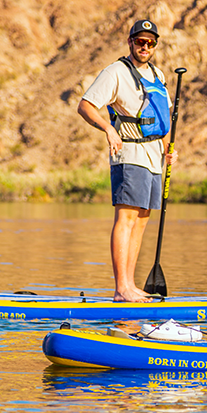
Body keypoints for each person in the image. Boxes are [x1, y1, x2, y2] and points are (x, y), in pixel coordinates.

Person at [77, 20, 177, 302]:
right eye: (139, 41)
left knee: (142, 220)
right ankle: (122, 288)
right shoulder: (116, 72)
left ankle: (131, 286)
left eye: (150, 42)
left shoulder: (158, 75)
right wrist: (108, 129)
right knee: (127, 217)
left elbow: (163, 119)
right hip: (129, 153)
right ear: (130, 42)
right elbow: (85, 105)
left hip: (154, 156)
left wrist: (169, 149)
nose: (144, 47)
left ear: (155, 45)